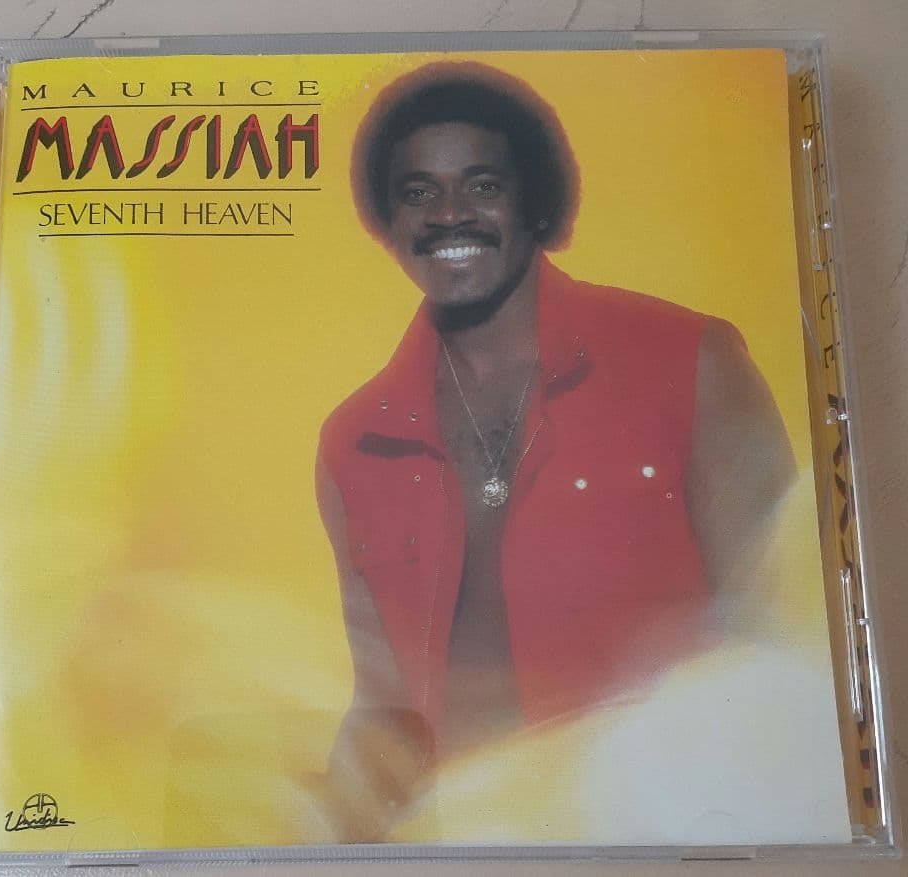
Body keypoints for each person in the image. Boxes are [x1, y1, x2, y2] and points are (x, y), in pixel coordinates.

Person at [314, 61, 795, 840]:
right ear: (387, 220)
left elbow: (785, 640)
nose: (449, 214)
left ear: (535, 201)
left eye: (482, 185)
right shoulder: (355, 439)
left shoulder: (691, 360)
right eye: (417, 191)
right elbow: (382, 705)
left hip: (673, 832)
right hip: (463, 839)